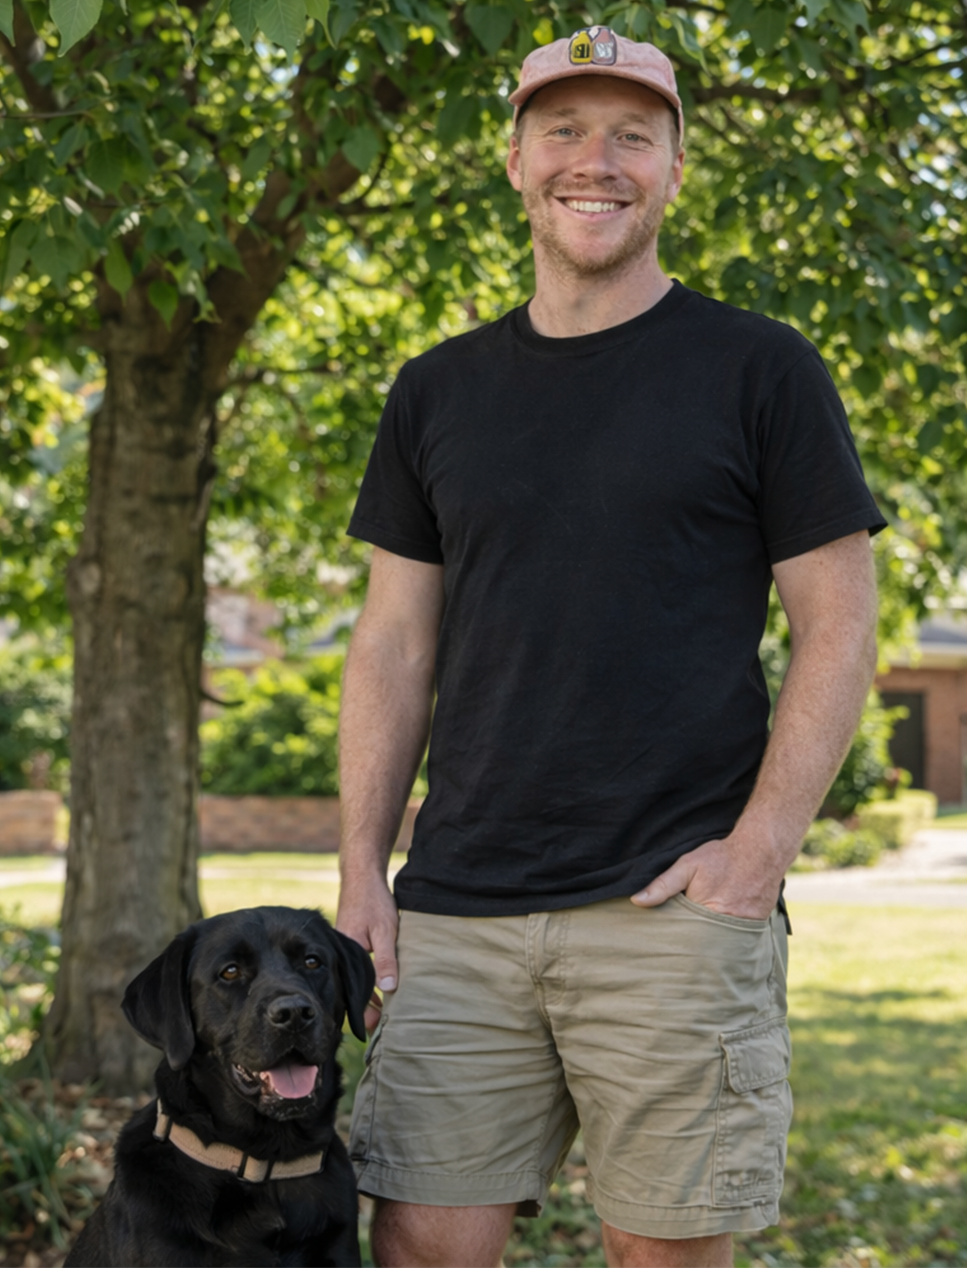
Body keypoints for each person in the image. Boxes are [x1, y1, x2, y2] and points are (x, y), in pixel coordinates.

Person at [335, 25, 886, 1268]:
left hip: (671, 906)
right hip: (458, 906)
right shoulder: (436, 389)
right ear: (518, 161)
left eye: (635, 134)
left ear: (676, 169)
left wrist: (758, 856)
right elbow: (393, 645)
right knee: (422, 1243)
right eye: (567, 131)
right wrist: (364, 868)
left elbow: (840, 625)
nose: (601, 160)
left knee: (667, 1256)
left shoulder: (762, 368)